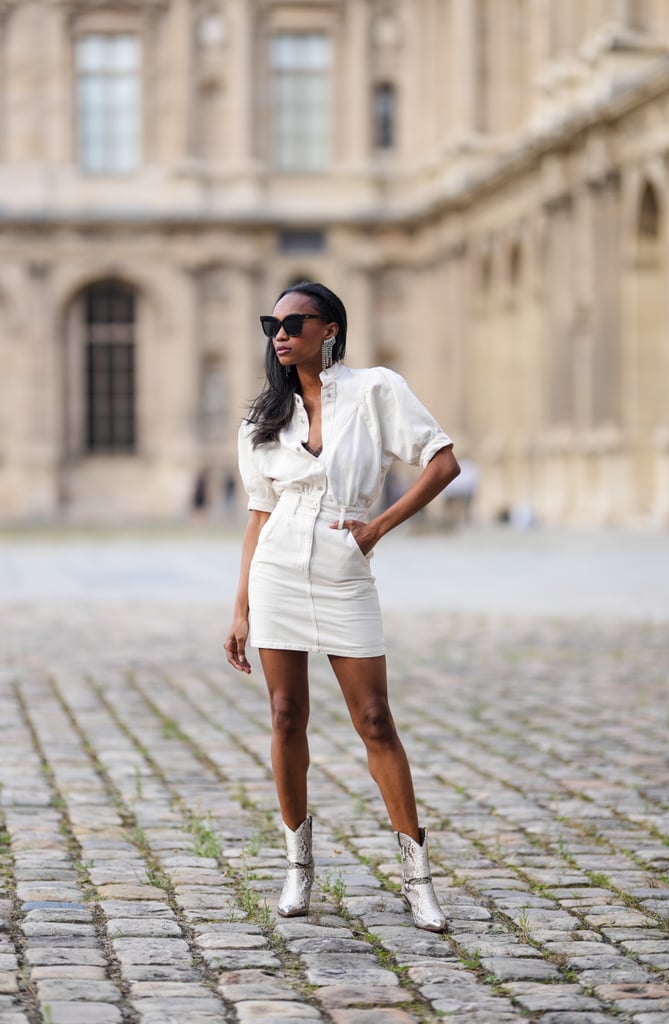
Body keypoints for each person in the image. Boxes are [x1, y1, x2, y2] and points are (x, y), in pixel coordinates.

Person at [224, 282, 459, 932]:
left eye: (295, 321)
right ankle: (298, 867)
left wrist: (375, 529)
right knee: (284, 714)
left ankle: (417, 878)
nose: (280, 332)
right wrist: (240, 609)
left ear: (329, 329)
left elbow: (442, 465)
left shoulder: (377, 388)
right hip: (276, 565)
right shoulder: (261, 419)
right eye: (272, 321)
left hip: (343, 559)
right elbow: (258, 514)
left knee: (375, 718)